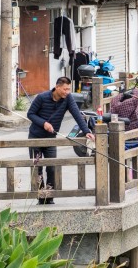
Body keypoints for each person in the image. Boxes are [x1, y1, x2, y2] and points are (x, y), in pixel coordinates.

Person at [27, 76, 94, 204]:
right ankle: (41, 197)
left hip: (51, 138)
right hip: (35, 136)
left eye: (68, 89)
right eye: (64, 89)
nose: (67, 92)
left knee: (52, 167)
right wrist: (44, 123)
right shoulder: (42, 97)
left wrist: (86, 131)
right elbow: (30, 114)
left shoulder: (68, 98)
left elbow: (77, 114)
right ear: (57, 87)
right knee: (37, 168)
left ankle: (50, 196)